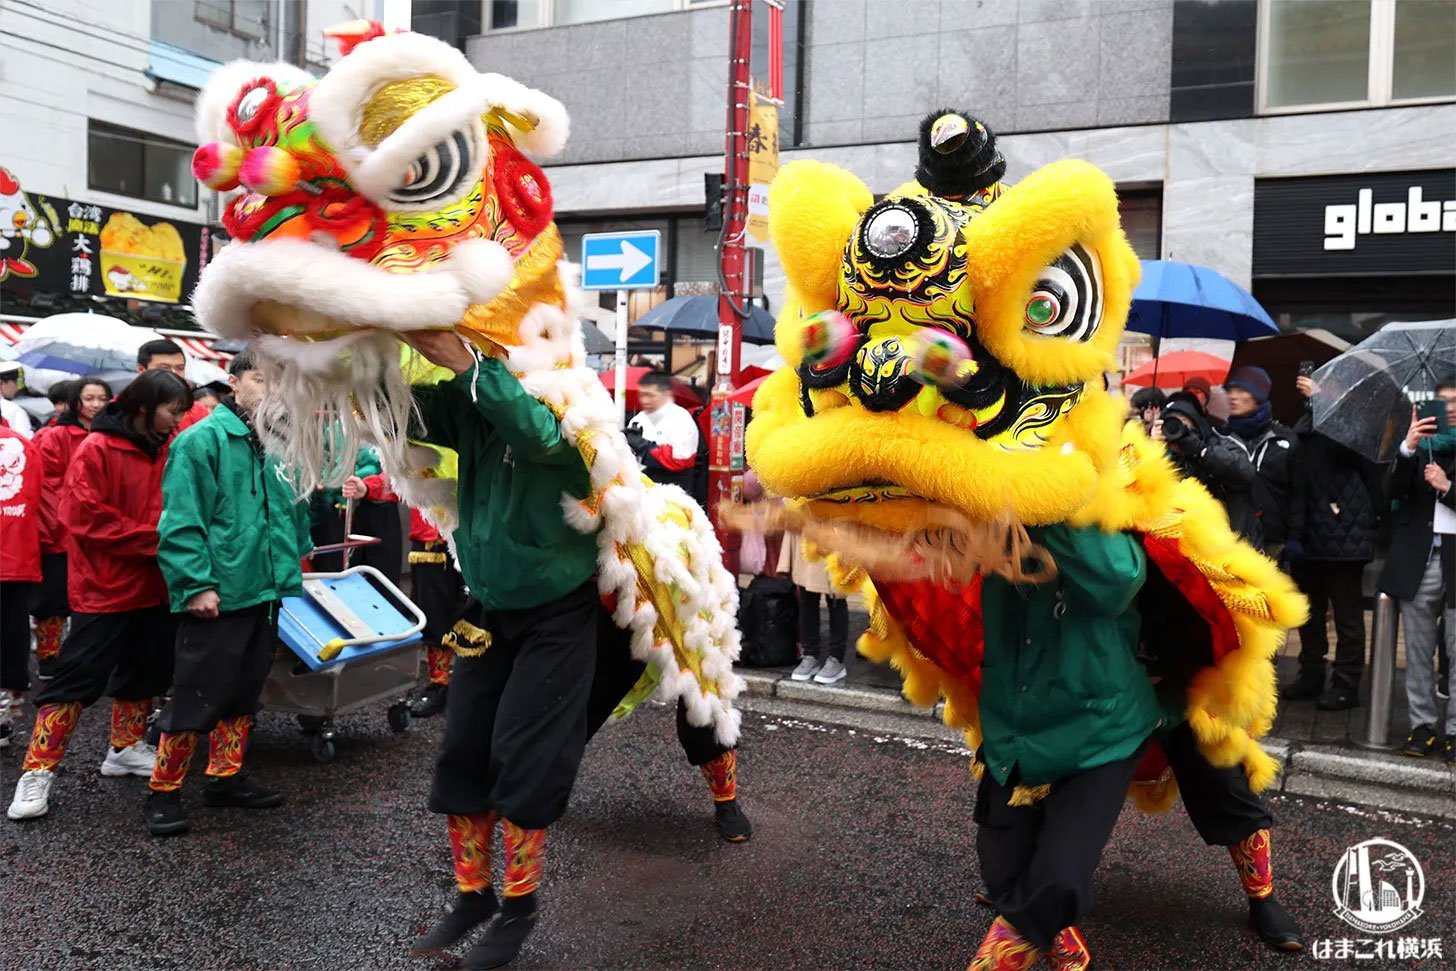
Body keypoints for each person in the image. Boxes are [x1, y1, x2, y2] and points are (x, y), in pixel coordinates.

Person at [403, 331, 604, 969]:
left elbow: (539, 438)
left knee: (526, 755)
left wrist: (467, 362)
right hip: (488, 606)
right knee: (463, 746)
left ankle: (519, 906)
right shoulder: (478, 400)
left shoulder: (575, 409)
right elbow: (406, 407)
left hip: (559, 614)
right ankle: (473, 892)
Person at [969, 525, 1162, 968]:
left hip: (1100, 727)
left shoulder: (1096, 498)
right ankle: (1053, 930)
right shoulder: (988, 497)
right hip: (1014, 723)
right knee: (1002, 874)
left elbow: (1117, 580)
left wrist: (1055, 503)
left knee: (1058, 879)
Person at [6, 369, 190, 821]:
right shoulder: (98, 447)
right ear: (144, 408)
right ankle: (37, 770)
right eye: (173, 411)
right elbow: (83, 515)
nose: (178, 419)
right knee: (75, 679)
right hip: (104, 587)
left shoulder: (172, 447)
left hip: (158, 585)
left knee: (146, 672)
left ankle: (124, 749)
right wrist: (158, 539)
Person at [143, 349, 312, 836]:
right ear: (233, 382)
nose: (273, 390)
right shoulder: (201, 441)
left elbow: (291, 512)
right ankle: (163, 790)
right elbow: (180, 521)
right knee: (198, 693)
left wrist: (294, 569)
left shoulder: (278, 441)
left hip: (266, 589)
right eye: (263, 379)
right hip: (220, 592)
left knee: (244, 692)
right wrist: (196, 584)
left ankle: (224, 779)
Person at [1282, 373, 1382, 711]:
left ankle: (1346, 683)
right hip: (1308, 533)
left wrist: (1322, 400)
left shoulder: (1353, 418)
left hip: (1344, 534)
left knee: (1347, 616)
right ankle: (1311, 674)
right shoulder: (1305, 420)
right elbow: (1298, 480)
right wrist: (1293, 534)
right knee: (1309, 614)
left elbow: (1349, 450)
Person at [343, 460, 465, 718]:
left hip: (472, 538)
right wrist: (367, 488)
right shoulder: (418, 440)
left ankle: (475, 687)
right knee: (434, 618)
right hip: (430, 540)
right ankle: (439, 684)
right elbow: (399, 479)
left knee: (477, 620)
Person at [1381, 392, 1456, 762]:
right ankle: (1422, 725)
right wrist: (1408, 448)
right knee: (1418, 650)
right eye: (1444, 401)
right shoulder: (1419, 447)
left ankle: (1455, 731)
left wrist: (1448, 487)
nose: (1451, 407)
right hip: (1420, 559)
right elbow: (1389, 494)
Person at [30, 378, 111, 680]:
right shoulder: (54, 436)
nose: (95, 405)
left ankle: (86, 658)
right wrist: (59, 525)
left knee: (94, 601)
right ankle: (48, 657)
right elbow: (48, 486)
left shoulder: (113, 435)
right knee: (53, 601)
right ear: (75, 401)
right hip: (62, 530)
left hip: (101, 531)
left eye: (102, 398)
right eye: (88, 398)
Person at [1153, 393, 1259, 544]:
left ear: (1196, 425)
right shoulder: (1161, 451)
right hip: (1180, 545)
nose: (1176, 429)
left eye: (1182, 422)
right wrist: (1151, 447)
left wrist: (1200, 451)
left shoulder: (1221, 442)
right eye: (1171, 424)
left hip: (1229, 541)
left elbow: (1245, 473)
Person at [1221, 367, 1297, 557]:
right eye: (1230, 391)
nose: (1232, 396)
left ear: (1258, 395)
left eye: (1241, 390)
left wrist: (1295, 538)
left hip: (1274, 544)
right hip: (1229, 541)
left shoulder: (1285, 440)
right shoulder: (1221, 438)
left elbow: (1299, 493)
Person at [0, 421, 42, 749]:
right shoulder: (24, 444)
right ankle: (3, 708)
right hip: (15, 554)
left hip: (14, 553)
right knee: (10, 631)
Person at [780, 533, 850, 685]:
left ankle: (836, 658)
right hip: (807, 526)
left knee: (836, 595)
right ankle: (810, 654)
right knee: (807, 592)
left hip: (836, 525)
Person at [624, 372, 699, 494]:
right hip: (642, 491)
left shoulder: (681, 418)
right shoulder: (638, 419)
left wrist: (642, 446)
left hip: (674, 493)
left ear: (667, 394)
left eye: (650, 395)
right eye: (642, 395)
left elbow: (678, 460)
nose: (645, 400)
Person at [0, 361, 33, 439]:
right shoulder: (13, 410)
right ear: (1, 383)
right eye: (16, 382)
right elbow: (24, 440)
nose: (17, 388)